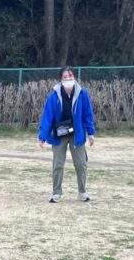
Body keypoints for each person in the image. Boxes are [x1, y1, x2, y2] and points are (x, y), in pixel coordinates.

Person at [38, 67, 96, 203]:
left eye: (70, 76)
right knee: (58, 165)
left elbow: (87, 114)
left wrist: (91, 133)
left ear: (74, 77)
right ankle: (56, 193)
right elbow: (47, 117)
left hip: (77, 134)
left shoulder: (82, 94)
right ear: (61, 79)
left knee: (81, 164)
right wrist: (42, 136)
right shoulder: (53, 96)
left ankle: (82, 192)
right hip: (59, 134)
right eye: (65, 76)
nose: (68, 79)